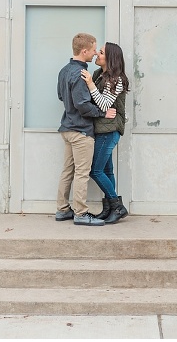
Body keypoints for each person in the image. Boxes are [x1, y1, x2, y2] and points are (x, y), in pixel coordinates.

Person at [55, 33, 116, 227]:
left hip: (67, 128)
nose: (95, 53)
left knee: (67, 171)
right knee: (82, 173)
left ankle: (62, 209)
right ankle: (80, 213)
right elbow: (83, 105)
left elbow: (60, 96)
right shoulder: (81, 74)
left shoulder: (64, 71)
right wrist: (101, 113)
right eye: (93, 50)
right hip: (81, 131)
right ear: (84, 51)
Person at [81, 42, 130, 224]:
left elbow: (103, 104)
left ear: (110, 58)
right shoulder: (98, 75)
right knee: (107, 170)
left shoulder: (118, 80)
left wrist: (90, 84)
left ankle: (117, 206)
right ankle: (109, 209)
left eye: (100, 53)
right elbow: (96, 103)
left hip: (110, 131)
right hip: (101, 128)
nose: (96, 55)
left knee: (95, 170)